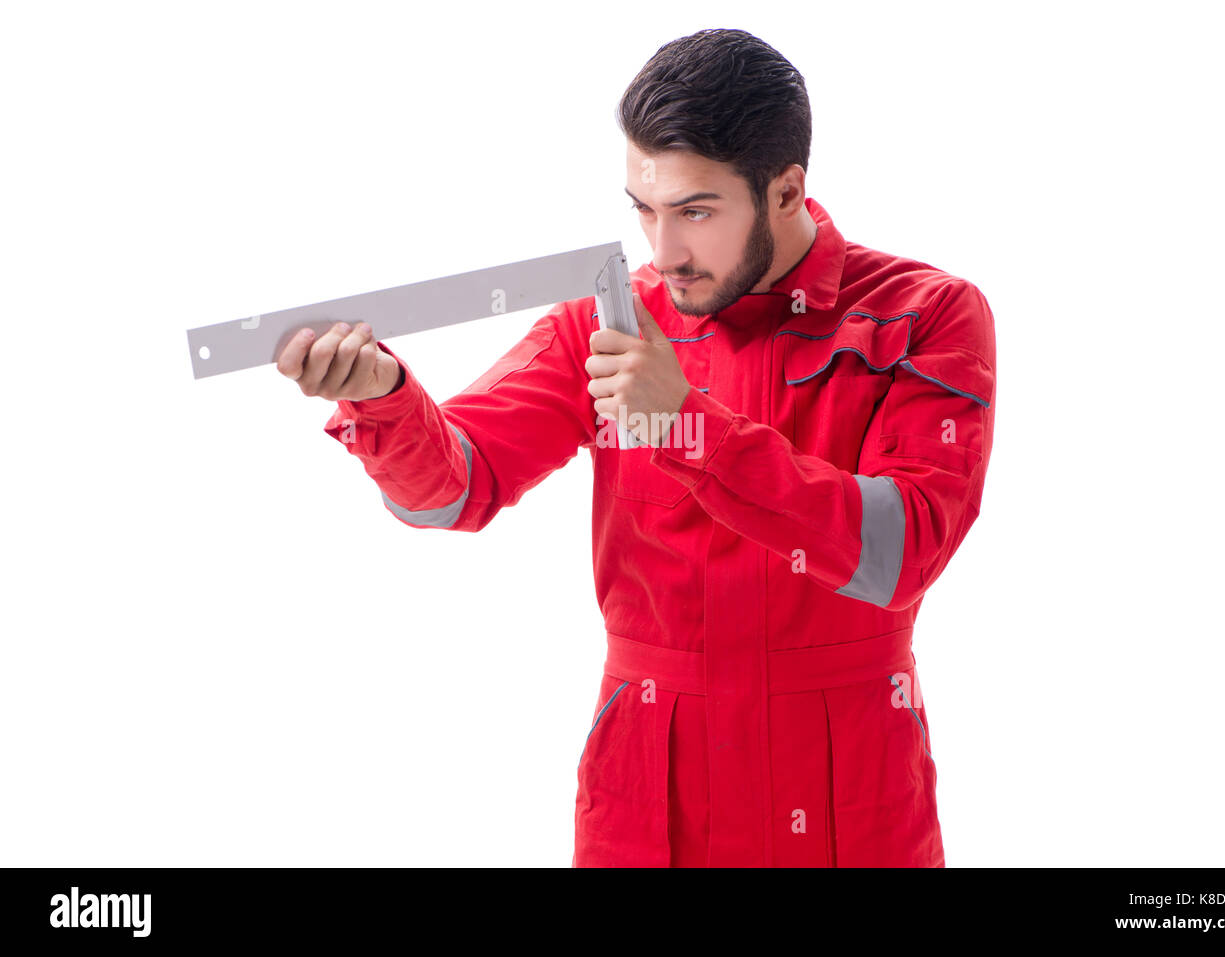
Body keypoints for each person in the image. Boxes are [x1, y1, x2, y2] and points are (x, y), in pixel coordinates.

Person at [275, 27, 996, 867]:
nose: (665, 251)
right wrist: (387, 402)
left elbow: (899, 547)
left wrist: (688, 424)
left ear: (788, 190)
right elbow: (455, 487)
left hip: (846, 799)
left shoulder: (927, 315)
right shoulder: (608, 324)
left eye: (695, 210)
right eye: (644, 210)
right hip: (650, 800)